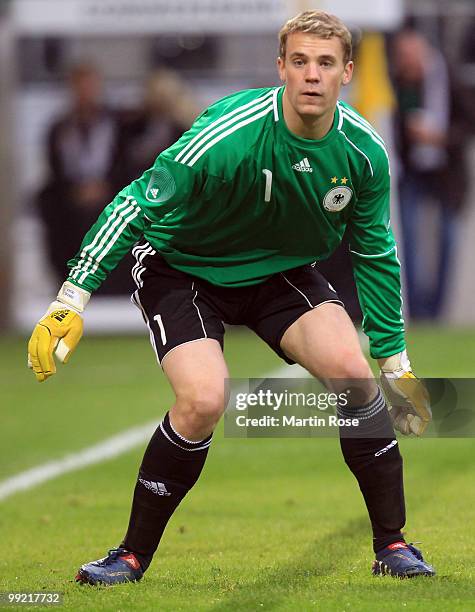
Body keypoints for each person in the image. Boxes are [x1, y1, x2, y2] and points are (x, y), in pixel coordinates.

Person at [28, 11, 435, 585]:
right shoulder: (230, 133)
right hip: (184, 270)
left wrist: (396, 362)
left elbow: (374, 252)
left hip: (279, 273)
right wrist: (70, 299)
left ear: (346, 73)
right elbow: (133, 203)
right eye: (299, 62)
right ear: (281, 69)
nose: (311, 76)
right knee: (202, 401)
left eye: (324, 64)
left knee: (355, 374)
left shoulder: (364, 153)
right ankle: (130, 555)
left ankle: (393, 544)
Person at [391, 29, 464, 319]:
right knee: (407, 240)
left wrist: (440, 138)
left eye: (411, 57)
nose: (407, 63)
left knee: (447, 239)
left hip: (447, 174)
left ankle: (436, 311)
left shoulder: (450, 80)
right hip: (411, 171)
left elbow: (467, 124)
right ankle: (417, 309)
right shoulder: (398, 83)